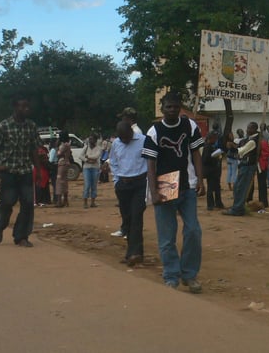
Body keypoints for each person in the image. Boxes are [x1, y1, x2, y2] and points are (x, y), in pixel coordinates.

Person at [143, 92, 206, 292]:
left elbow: (196, 153)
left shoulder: (190, 126)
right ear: (162, 108)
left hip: (187, 184)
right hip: (165, 184)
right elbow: (150, 164)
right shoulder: (154, 131)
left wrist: (200, 178)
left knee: (194, 230)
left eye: (175, 107)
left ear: (180, 107)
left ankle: (189, 274)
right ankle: (171, 275)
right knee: (167, 236)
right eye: (168, 107)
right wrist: (153, 191)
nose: (172, 110)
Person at [0, 98, 43, 247]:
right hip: (9, 171)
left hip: (25, 170)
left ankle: (21, 236)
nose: (26, 109)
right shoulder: (3, 126)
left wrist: (38, 170)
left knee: (27, 204)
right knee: (8, 202)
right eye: (23, 106)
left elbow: (34, 149)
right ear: (15, 107)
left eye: (28, 106)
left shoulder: (31, 126)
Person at [110, 120, 148, 267]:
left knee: (136, 217)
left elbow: (150, 160)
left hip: (140, 183)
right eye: (122, 138)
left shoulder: (143, 140)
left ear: (131, 133)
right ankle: (132, 253)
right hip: (123, 185)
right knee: (127, 220)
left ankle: (135, 253)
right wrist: (116, 180)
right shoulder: (116, 144)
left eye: (126, 137)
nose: (124, 141)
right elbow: (112, 161)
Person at [222, 122, 260, 216]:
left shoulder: (253, 141)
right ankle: (238, 206)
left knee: (241, 188)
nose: (247, 130)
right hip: (244, 165)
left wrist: (232, 146)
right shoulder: (248, 139)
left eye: (249, 128)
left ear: (254, 129)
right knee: (237, 187)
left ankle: (237, 208)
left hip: (248, 166)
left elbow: (241, 151)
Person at [201, 131, 223, 210]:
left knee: (217, 187)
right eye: (215, 138)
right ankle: (210, 205)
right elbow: (205, 159)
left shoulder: (211, 146)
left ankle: (218, 203)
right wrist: (214, 157)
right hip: (210, 171)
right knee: (210, 188)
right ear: (211, 138)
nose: (216, 140)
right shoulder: (207, 147)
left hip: (214, 170)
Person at [81, 133, 104, 208]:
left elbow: (96, 157)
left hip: (95, 168)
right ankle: (85, 202)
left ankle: (92, 202)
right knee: (87, 185)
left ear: (95, 140)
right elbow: (80, 156)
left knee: (94, 185)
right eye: (89, 139)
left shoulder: (99, 148)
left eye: (92, 139)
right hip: (87, 168)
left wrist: (87, 157)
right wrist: (87, 160)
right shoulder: (86, 147)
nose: (90, 140)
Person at [54, 132, 73, 208]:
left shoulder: (64, 145)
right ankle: (65, 200)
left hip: (62, 163)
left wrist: (56, 145)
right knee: (64, 181)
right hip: (66, 163)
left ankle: (59, 201)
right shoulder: (67, 145)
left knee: (59, 182)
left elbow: (58, 153)